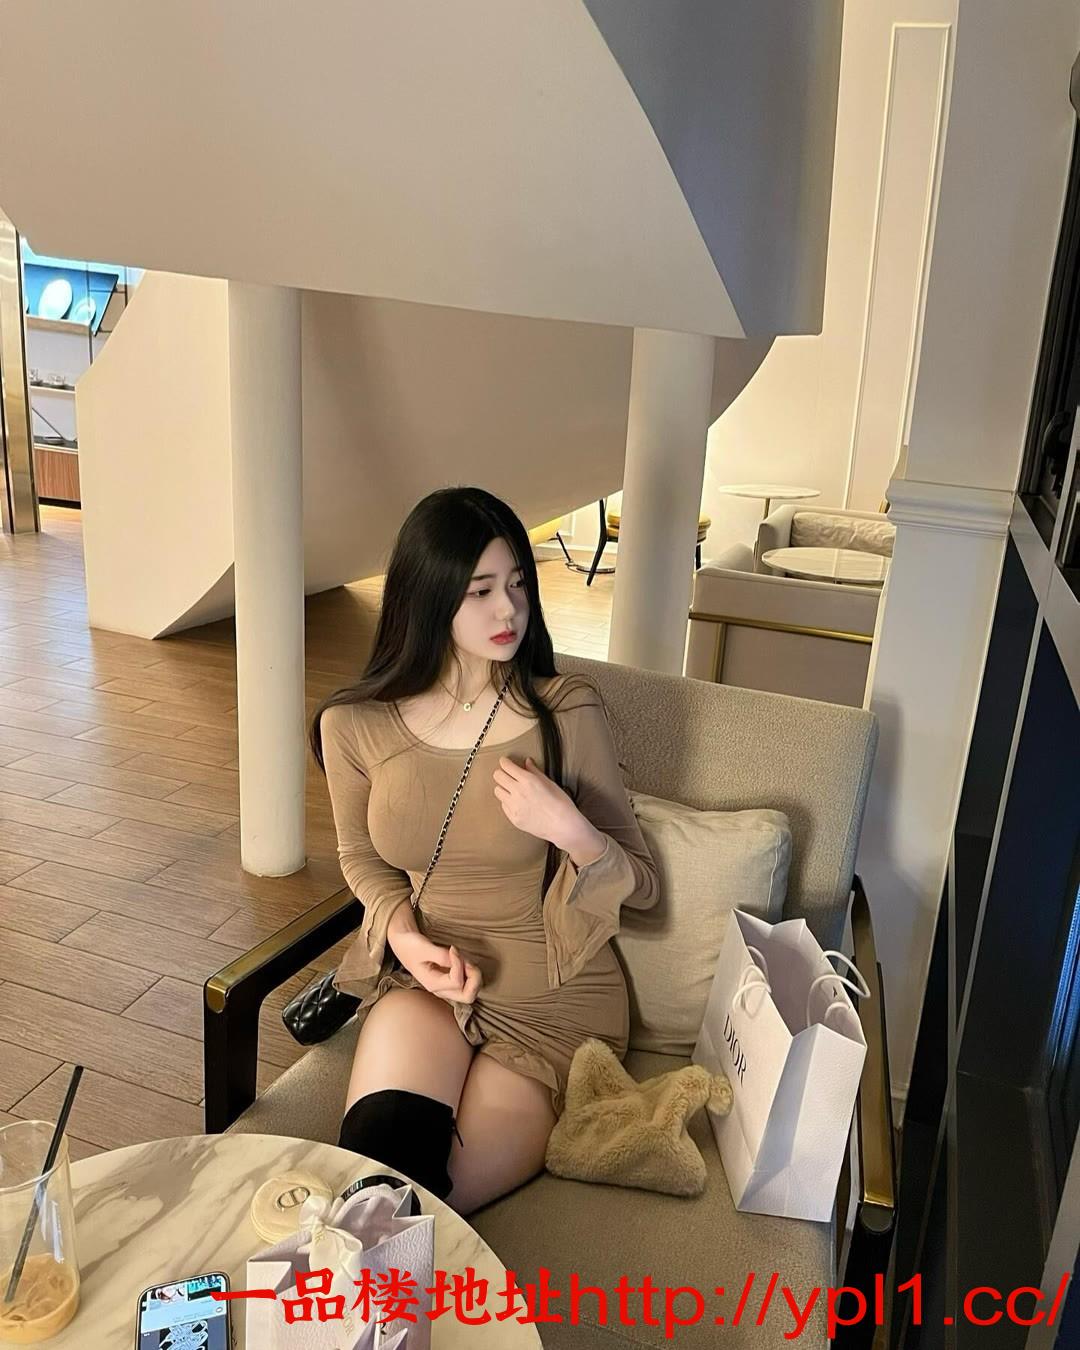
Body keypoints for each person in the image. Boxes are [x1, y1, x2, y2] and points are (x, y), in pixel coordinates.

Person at [311, 485, 660, 1215]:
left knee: (421, 1216)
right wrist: (403, 938)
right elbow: (361, 858)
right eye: (481, 590)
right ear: (428, 596)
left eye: (518, 584)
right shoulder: (355, 725)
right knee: (376, 1191)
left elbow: (645, 888)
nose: (509, 610)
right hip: (429, 985)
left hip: (553, 1006)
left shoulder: (565, 710)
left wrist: (570, 828)